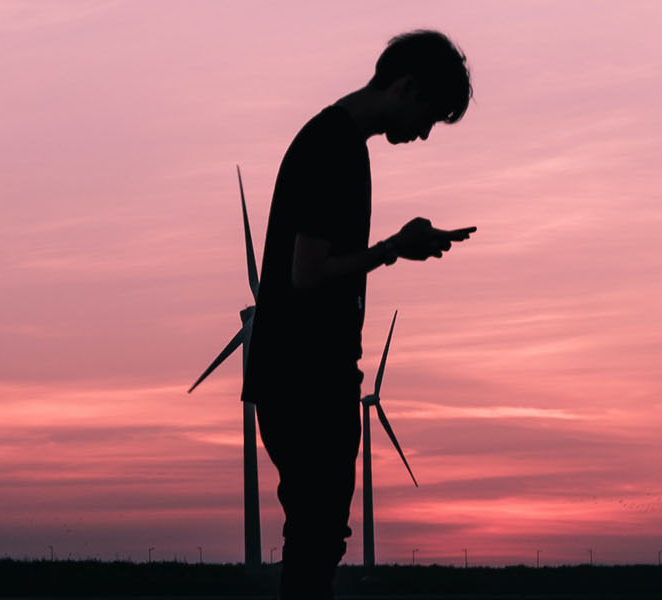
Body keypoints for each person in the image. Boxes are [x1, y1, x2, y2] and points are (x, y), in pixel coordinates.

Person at [241, 29, 475, 599]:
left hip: (299, 374)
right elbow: (308, 272)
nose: (422, 132)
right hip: (306, 378)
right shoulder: (334, 149)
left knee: (317, 538)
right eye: (428, 114)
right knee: (317, 541)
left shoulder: (335, 143)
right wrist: (393, 248)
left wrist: (395, 246)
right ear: (406, 85)